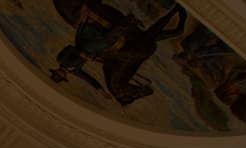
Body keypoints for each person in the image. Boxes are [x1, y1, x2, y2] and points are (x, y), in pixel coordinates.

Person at [48, 2, 187, 106]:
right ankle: (172, 31)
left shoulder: (61, 60)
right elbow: (89, 79)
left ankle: (126, 23)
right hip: (94, 53)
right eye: (61, 76)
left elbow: (70, 49)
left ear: (56, 70)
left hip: (86, 45)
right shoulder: (74, 71)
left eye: (58, 74)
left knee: (107, 41)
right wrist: (101, 91)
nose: (61, 74)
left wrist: (83, 55)